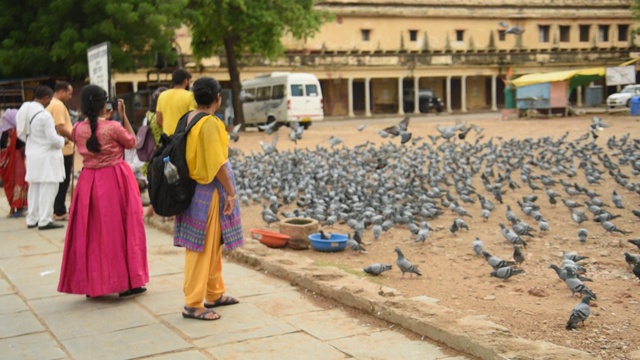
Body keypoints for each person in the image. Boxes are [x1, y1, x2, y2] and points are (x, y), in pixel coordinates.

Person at [58, 85, 149, 298]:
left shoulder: (78, 128)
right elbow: (133, 142)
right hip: (115, 180)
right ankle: (127, 282)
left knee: (92, 233)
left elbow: (72, 134)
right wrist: (123, 115)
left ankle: (93, 285)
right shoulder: (113, 127)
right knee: (121, 230)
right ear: (104, 105)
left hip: (89, 182)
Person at [175, 77, 244, 321]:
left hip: (193, 190)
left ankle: (214, 293)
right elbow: (217, 164)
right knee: (201, 249)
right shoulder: (212, 123)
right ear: (218, 98)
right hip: (209, 192)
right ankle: (193, 304)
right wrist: (231, 193)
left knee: (212, 245)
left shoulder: (188, 118)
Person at [16, 85, 66, 230]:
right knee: (49, 187)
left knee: (35, 187)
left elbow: (21, 134)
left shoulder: (24, 111)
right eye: (50, 99)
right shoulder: (45, 116)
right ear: (45, 98)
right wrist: (64, 141)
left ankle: (32, 218)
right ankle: (45, 219)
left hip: (32, 154)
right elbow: (53, 139)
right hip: (47, 157)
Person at [46, 81, 74, 221]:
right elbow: (60, 127)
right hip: (63, 149)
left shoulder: (52, 104)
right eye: (69, 94)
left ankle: (58, 208)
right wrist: (74, 137)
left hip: (60, 149)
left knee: (61, 180)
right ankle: (59, 210)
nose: (70, 97)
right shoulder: (57, 105)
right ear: (62, 92)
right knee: (63, 180)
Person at [142, 87, 167, 218]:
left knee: (155, 182)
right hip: (162, 151)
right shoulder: (162, 118)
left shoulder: (147, 115)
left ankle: (151, 210)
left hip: (151, 153)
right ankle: (155, 209)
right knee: (164, 181)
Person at [0, 109, 28, 217]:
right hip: (17, 162)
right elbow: (22, 147)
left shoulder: (2, 132)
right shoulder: (17, 133)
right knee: (18, 182)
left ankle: (12, 209)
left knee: (10, 184)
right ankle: (19, 207)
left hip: (5, 164)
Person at [156, 68, 197, 136]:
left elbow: (158, 120)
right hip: (182, 138)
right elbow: (193, 120)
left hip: (167, 138)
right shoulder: (190, 96)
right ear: (185, 81)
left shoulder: (162, 95)